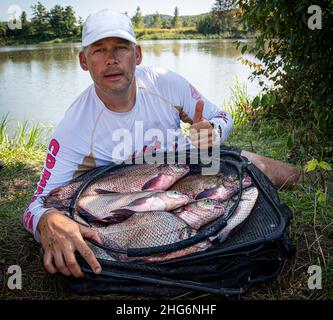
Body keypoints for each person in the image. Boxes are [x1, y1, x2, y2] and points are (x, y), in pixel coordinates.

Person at [23, 9, 300, 279]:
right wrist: (47, 221)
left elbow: (221, 116)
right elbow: (35, 205)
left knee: (289, 176)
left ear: (137, 54)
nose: (111, 59)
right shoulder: (75, 128)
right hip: (133, 194)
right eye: (98, 50)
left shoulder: (164, 82)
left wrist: (212, 132)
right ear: (84, 61)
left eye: (121, 47)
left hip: (191, 165)